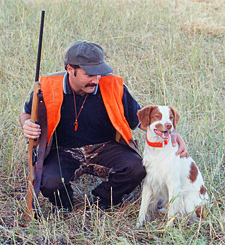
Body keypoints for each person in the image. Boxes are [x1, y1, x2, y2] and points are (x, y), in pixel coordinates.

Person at [20, 41, 187, 212]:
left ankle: (104, 200)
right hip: (63, 149)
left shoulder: (114, 86)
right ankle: (66, 205)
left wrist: (172, 132)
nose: (96, 80)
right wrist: (27, 124)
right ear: (70, 69)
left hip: (104, 147)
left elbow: (142, 122)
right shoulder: (47, 87)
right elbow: (26, 113)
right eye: (89, 74)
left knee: (136, 168)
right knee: (50, 182)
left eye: (99, 73)